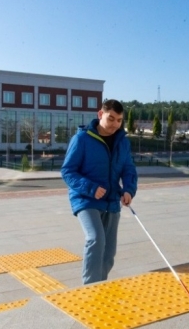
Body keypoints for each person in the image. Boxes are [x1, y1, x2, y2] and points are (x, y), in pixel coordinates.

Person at [61, 99, 138, 285]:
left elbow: (128, 169)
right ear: (100, 114)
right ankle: (89, 288)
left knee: (109, 253)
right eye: (111, 118)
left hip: (111, 201)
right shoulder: (82, 139)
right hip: (85, 199)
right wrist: (91, 188)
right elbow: (68, 171)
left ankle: (100, 287)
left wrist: (128, 190)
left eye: (119, 120)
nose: (115, 124)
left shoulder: (123, 142)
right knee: (96, 239)